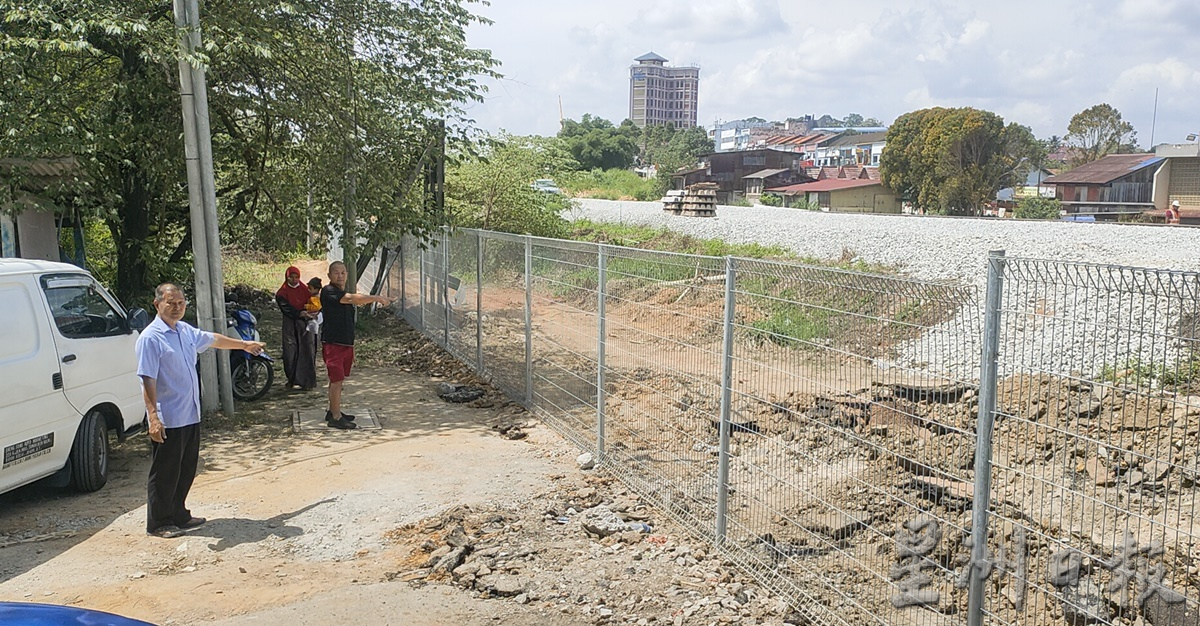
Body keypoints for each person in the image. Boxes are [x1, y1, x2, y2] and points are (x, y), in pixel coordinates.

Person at [136, 283, 265, 538]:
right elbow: (147, 379)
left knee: (186, 468)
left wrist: (243, 344)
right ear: (157, 304)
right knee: (165, 471)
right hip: (168, 417)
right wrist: (153, 417)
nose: (176, 308)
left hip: (190, 413)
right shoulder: (151, 338)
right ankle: (159, 522)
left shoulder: (185, 331)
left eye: (181, 303)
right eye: (170, 303)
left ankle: (178, 514)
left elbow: (213, 339)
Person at [321, 261, 393, 429]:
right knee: (336, 380)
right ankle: (335, 418)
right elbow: (353, 299)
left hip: (346, 343)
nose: (340, 276)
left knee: (339, 380)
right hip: (333, 344)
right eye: (336, 273)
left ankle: (333, 410)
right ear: (329, 275)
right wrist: (376, 297)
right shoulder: (329, 292)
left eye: (343, 272)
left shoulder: (340, 291)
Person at [275, 266, 317, 390]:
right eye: (291, 277)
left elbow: (312, 303)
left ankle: (307, 381)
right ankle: (292, 379)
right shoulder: (282, 293)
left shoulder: (305, 290)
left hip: (304, 324)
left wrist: (309, 311)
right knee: (290, 351)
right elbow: (285, 308)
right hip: (290, 324)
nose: (294, 280)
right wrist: (298, 313)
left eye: (296, 277)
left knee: (307, 350)